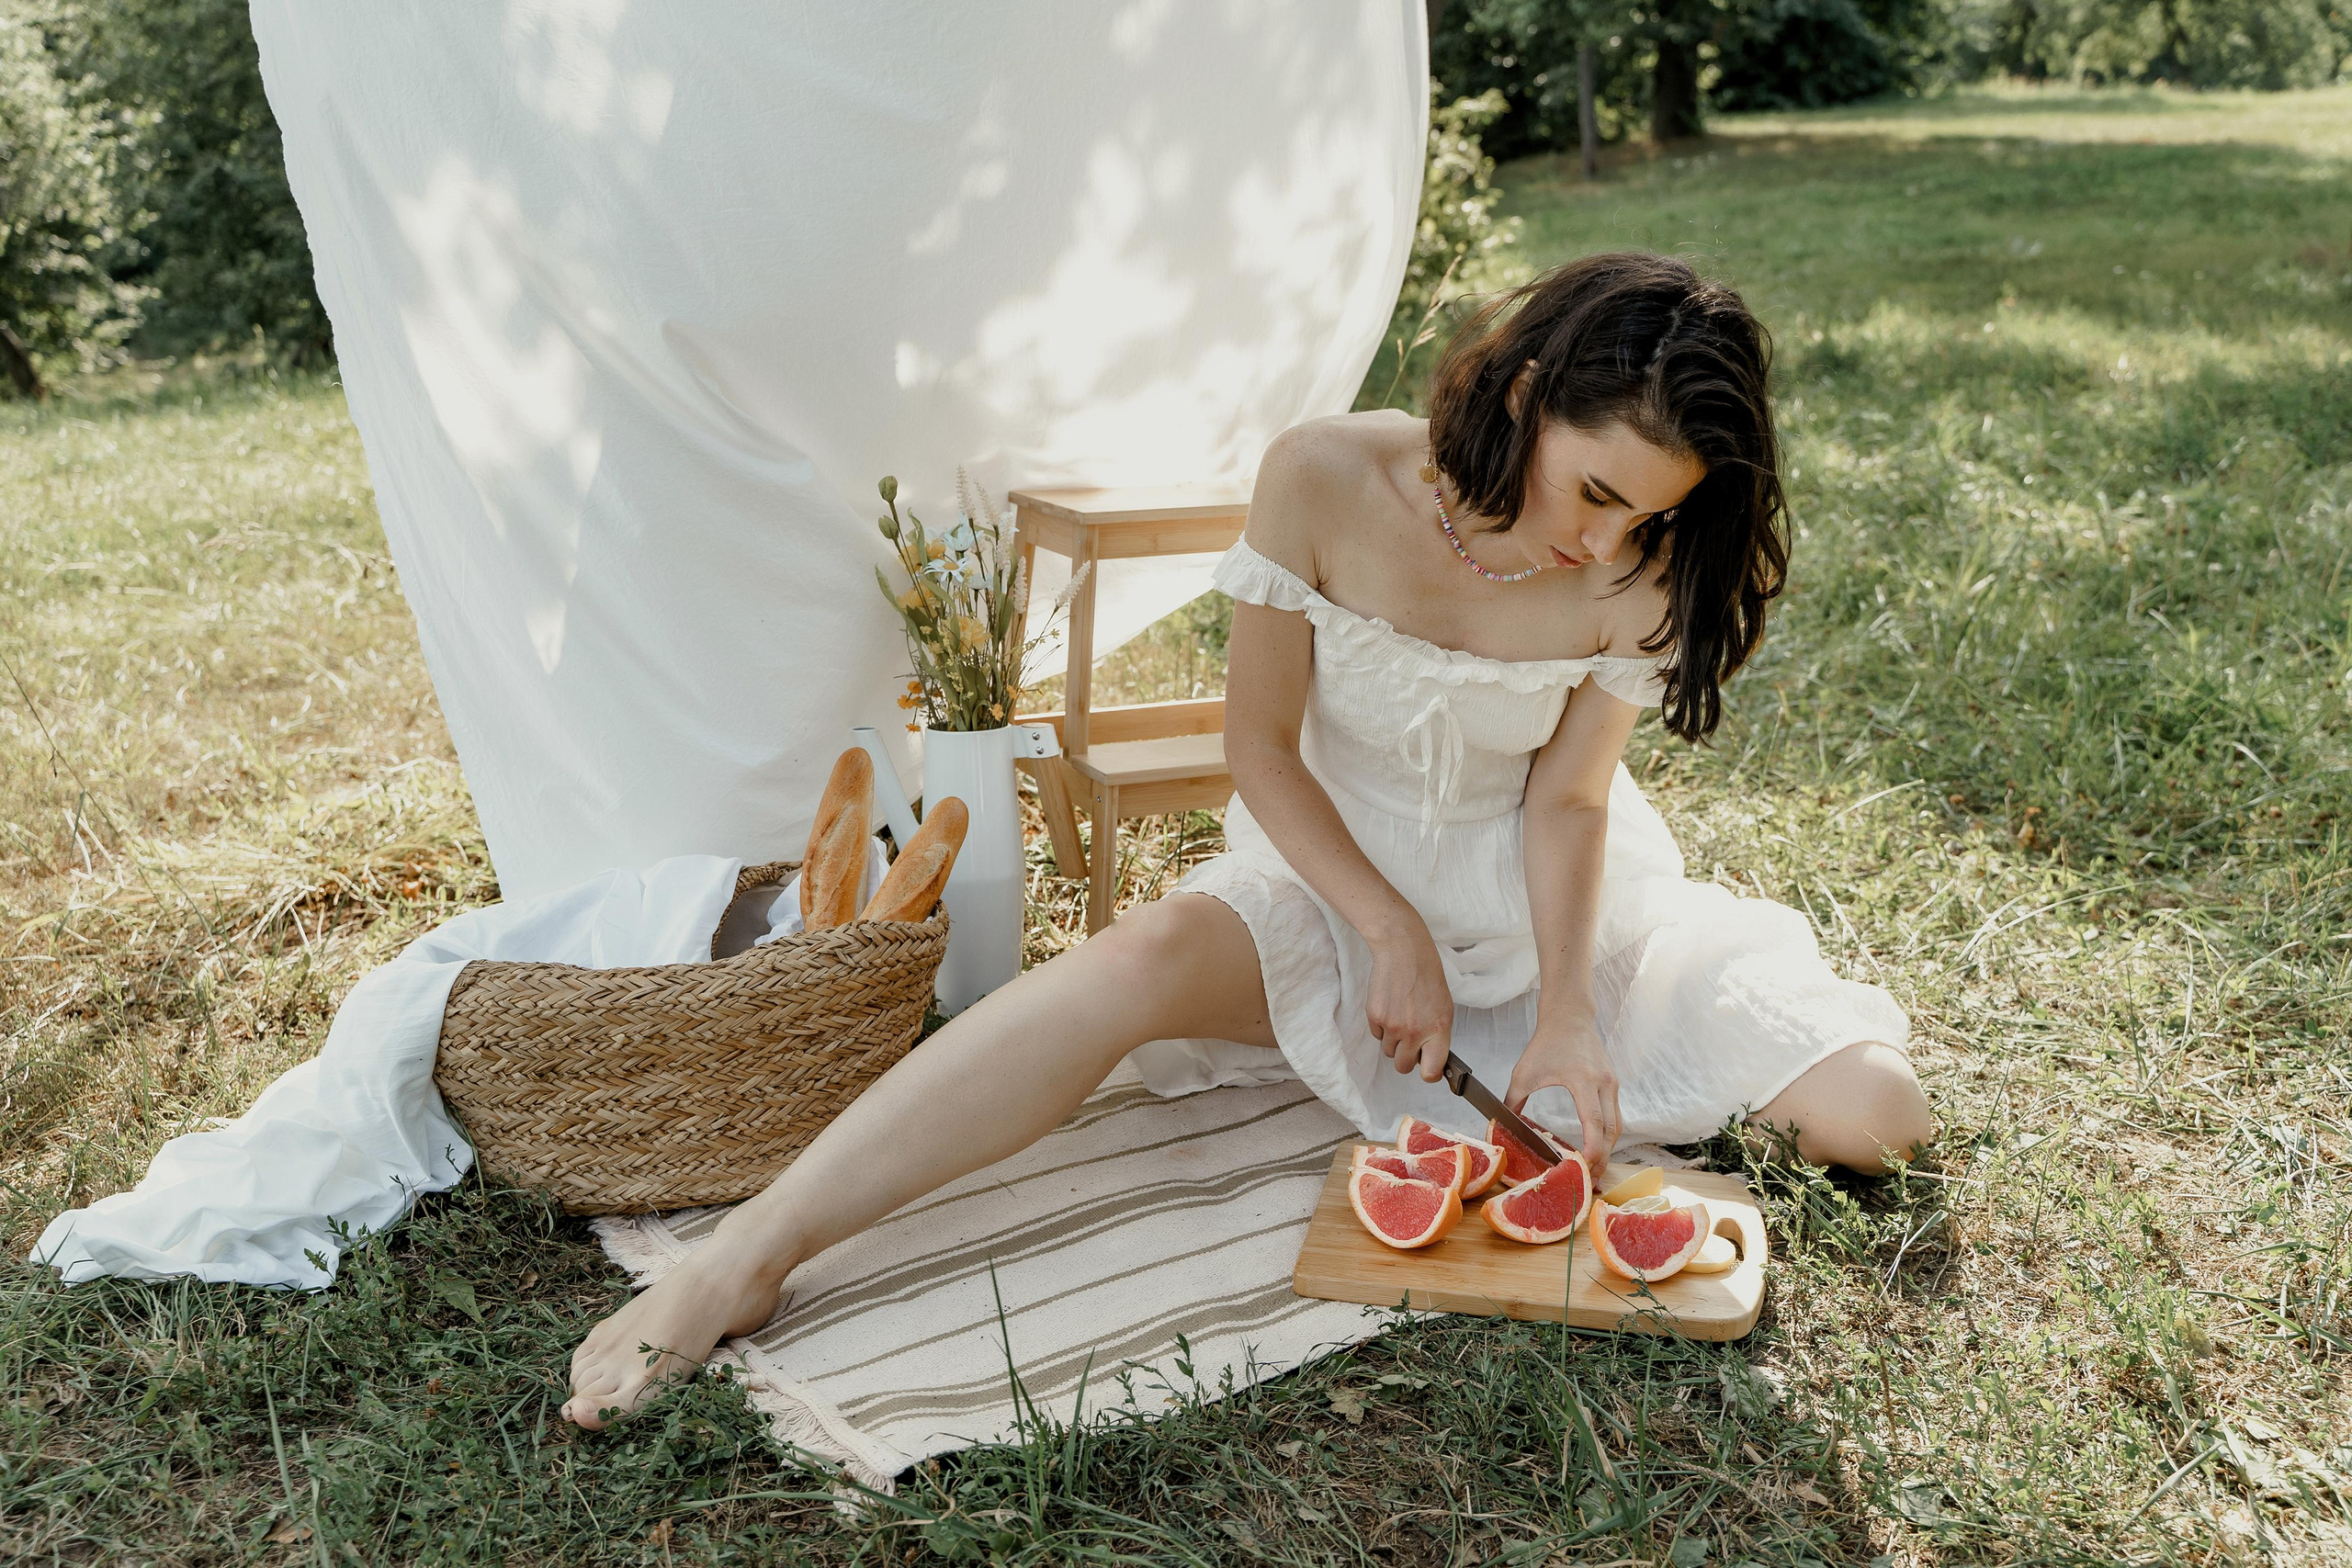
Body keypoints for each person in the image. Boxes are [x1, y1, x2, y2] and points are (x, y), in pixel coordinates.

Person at [561, 251, 1932, 1428]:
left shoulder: (1635, 571)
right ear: (1525, 394)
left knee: (1879, 1118)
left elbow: (1567, 803)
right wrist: (1388, 928)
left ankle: (1584, 1112)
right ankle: (746, 1255)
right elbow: (1261, 749)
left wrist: (1570, 1012)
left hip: (1546, 900)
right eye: (1595, 491)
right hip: (1328, 870)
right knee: (1138, 956)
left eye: (1648, 513)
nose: (1607, 540)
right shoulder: (1326, 475)